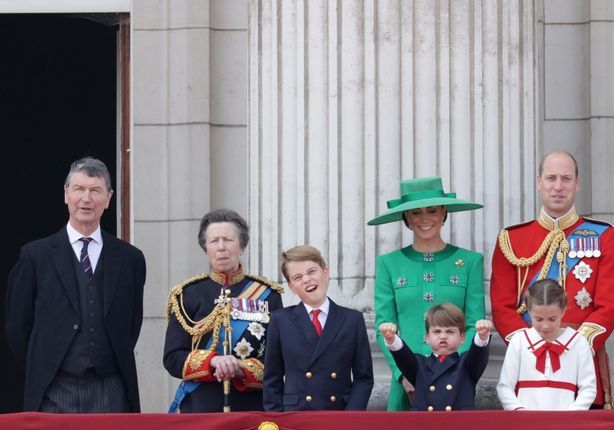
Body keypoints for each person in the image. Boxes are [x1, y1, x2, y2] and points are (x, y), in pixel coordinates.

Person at [5, 157, 146, 412]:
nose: (86, 198)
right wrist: (43, 364)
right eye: (79, 189)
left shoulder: (130, 259)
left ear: (108, 198)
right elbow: (17, 326)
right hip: (54, 389)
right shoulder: (35, 256)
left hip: (111, 388)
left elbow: (132, 324)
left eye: (95, 190)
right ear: (66, 195)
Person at [490, 150, 614, 408]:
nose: (558, 187)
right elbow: (501, 306)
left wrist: (573, 347)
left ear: (577, 184)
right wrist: (529, 347)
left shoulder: (605, 236)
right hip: (527, 365)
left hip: (581, 363)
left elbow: (608, 307)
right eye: (551, 178)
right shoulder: (511, 239)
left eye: (566, 178)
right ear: (539, 182)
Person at [370, 176, 485, 411]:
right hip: (406, 381)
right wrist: (402, 374)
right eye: (415, 213)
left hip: (456, 382)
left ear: (444, 213)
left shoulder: (471, 262)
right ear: (406, 219)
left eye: (432, 211)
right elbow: (384, 326)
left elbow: (474, 324)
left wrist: (456, 369)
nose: (424, 219)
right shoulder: (388, 264)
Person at [164, 209, 284, 413]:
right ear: (205, 248)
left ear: (242, 246)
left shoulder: (268, 294)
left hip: (252, 408)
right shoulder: (187, 294)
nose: (221, 247)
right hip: (201, 406)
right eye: (214, 241)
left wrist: (240, 367)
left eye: (228, 240)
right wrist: (213, 361)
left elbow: (279, 360)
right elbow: (172, 358)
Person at [263, 245, 374, 411]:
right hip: (295, 416)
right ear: (292, 286)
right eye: (298, 277)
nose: (307, 279)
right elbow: (272, 378)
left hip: (339, 413)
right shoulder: (280, 320)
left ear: (326, 273)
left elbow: (363, 378)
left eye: (311, 271)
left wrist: (352, 416)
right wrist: (277, 420)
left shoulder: (352, 320)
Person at [496, 279, 597, 411]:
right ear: (528, 311)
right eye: (538, 319)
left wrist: (572, 415)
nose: (545, 326)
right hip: (524, 422)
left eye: (552, 319)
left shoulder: (578, 342)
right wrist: (519, 411)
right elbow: (504, 386)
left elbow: (588, 388)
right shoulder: (519, 341)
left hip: (565, 423)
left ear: (563, 311)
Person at [379, 303, 492, 411]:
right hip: (425, 426)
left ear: (462, 337)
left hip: (459, 425)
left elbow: (478, 353)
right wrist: (391, 339)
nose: (443, 336)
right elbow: (403, 355)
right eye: (437, 331)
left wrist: (482, 336)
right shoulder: (419, 364)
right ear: (427, 337)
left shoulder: (466, 364)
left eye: (450, 331)